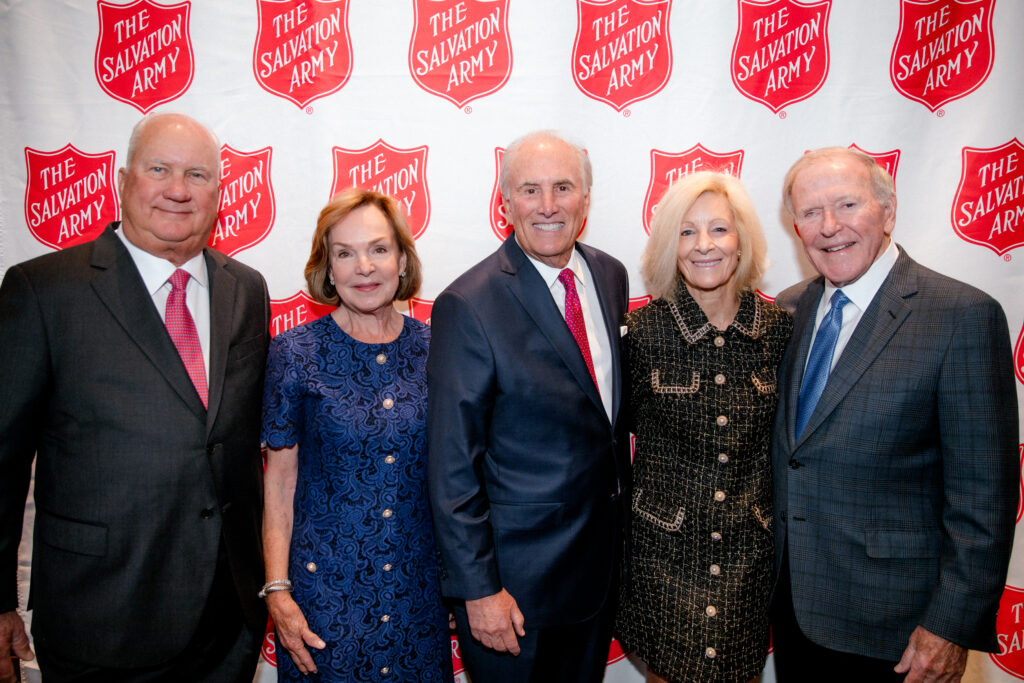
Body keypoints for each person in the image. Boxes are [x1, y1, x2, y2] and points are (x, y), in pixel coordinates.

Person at [0, 112, 270, 682]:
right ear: (123, 181)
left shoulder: (246, 289)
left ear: (219, 193)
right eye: (159, 170)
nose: (178, 190)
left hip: (228, 620)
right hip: (101, 614)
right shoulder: (44, 291)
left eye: (197, 175)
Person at [770, 147, 1019, 682]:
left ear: (888, 210)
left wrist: (950, 626)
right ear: (796, 227)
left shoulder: (961, 317)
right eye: (811, 212)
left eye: (847, 205)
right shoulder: (789, 310)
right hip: (794, 612)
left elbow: (984, 498)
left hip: (900, 631)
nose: (829, 226)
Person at [427, 130, 630, 683]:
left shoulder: (609, 276)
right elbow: (451, 466)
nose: (547, 205)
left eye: (563, 187)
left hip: (598, 574)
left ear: (586, 199)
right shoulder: (468, 304)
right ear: (505, 203)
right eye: (530, 190)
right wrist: (479, 590)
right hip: (514, 594)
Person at [261, 188, 451, 681]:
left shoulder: (438, 348)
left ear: (402, 261)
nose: (364, 267)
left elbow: (458, 474)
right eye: (344, 253)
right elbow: (279, 483)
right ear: (328, 270)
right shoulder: (295, 353)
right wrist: (278, 590)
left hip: (419, 593)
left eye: (378, 249)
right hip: (324, 598)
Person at [616, 172, 791, 682]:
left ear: (742, 240)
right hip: (662, 561)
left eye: (719, 229)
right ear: (669, 247)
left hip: (748, 559)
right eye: (687, 232)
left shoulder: (779, 330)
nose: (704, 245)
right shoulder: (640, 333)